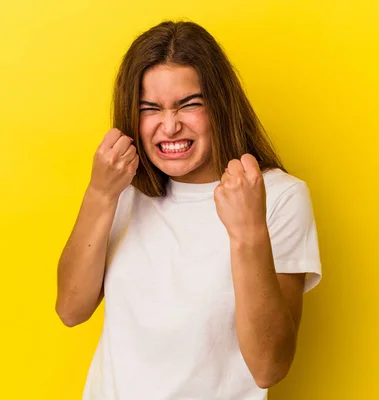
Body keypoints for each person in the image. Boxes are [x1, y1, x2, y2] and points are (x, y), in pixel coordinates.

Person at [56, 20, 322, 400]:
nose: (169, 126)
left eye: (189, 104)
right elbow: (71, 309)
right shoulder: (124, 189)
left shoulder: (278, 196)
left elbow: (269, 367)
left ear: (220, 106)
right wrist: (100, 194)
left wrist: (248, 232)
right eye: (151, 108)